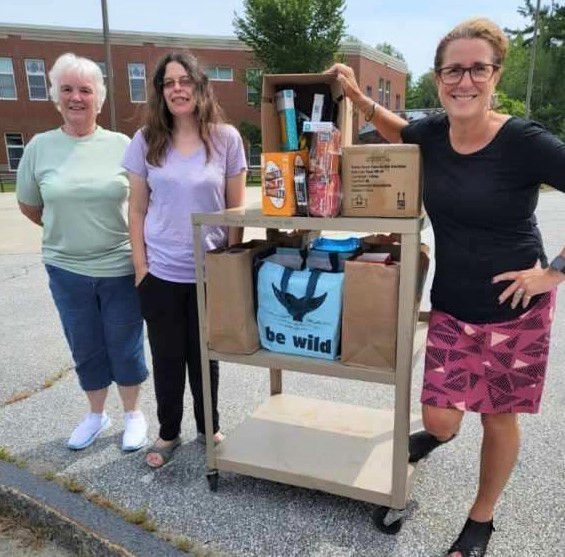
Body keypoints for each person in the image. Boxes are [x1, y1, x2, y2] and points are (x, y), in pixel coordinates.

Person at [328, 17, 565, 557]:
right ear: (438, 79)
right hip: (453, 304)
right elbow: (395, 128)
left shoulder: (524, 141)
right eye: (452, 70)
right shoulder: (432, 132)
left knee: (496, 417)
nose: (465, 81)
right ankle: (437, 436)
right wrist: (356, 97)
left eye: (477, 69)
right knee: (440, 415)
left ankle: (480, 522)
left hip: (516, 310)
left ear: (495, 75)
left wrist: (554, 271)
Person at [16, 53, 148, 452]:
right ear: (56, 96)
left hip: (119, 264)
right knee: (84, 343)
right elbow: (29, 204)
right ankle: (95, 415)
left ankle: (132, 415)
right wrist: (66, 231)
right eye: (68, 89)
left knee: (125, 342)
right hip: (66, 268)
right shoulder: (40, 147)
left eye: (85, 90)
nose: (77, 97)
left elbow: (141, 202)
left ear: (100, 99)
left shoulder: (121, 145)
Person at [123, 52, 247, 469]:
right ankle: (168, 432)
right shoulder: (145, 141)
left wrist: (229, 266)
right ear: (160, 92)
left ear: (199, 86)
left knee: (205, 357)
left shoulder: (226, 138)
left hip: (210, 272)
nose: (177, 88)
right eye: (168, 82)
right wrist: (141, 269)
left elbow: (235, 212)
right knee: (168, 356)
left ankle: (208, 426)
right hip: (160, 272)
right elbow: (137, 210)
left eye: (184, 80)